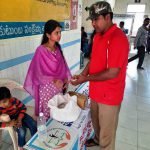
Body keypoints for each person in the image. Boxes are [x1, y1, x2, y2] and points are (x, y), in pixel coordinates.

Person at [71, 1, 129, 150]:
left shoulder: (118, 39)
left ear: (108, 17)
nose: (93, 23)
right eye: (92, 20)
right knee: (96, 123)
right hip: (96, 92)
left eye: (96, 19)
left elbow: (113, 72)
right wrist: (83, 74)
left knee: (107, 134)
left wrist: (87, 78)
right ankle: (96, 139)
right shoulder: (98, 36)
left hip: (110, 97)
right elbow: (93, 59)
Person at [24, 20, 71, 120]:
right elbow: (37, 74)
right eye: (56, 33)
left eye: (60, 32)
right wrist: (54, 80)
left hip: (58, 87)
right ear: (48, 35)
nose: (59, 35)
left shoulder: (58, 48)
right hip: (46, 89)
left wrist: (66, 79)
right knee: (47, 114)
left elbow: (63, 67)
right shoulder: (40, 50)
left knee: (57, 112)